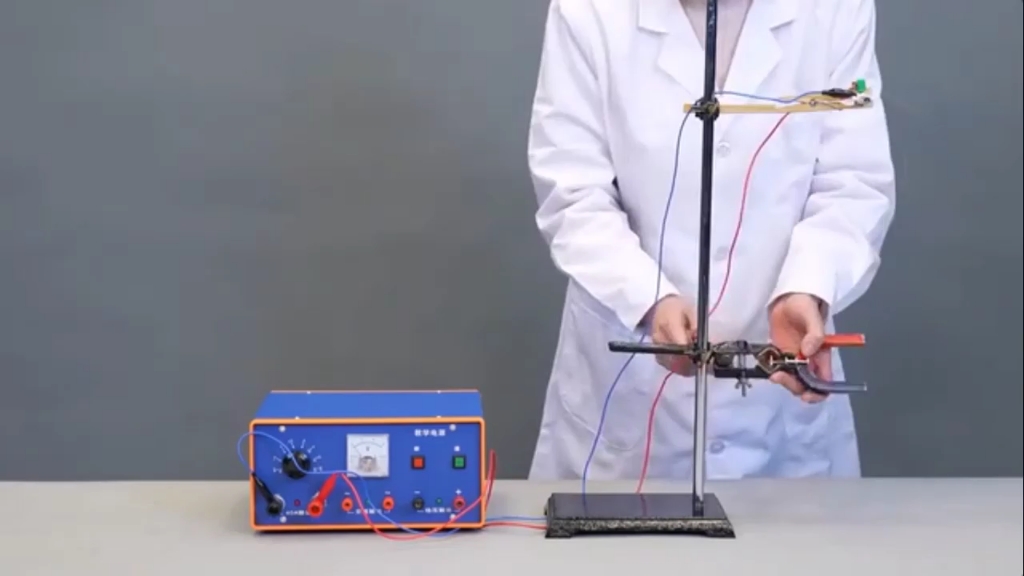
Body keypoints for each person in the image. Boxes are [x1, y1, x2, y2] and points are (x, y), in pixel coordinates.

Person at [526, 0, 896, 481]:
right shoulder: (589, 10)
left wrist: (808, 286)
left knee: (795, 531)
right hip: (630, 397)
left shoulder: (834, 9)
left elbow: (854, 182)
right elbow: (573, 193)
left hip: (779, 414)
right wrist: (647, 300)